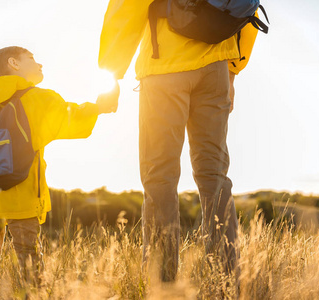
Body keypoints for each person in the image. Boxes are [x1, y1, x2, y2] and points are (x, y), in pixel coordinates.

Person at [98, 1, 260, 282]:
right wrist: (233, 68)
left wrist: (111, 74)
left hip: (164, 68)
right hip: (215, 68)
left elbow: (126, 9)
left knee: (159, 176)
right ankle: (225, 278)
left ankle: (162, 283)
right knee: (215, 176)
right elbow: (247, 7)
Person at [0, 46, 118, 290]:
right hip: (20, 189)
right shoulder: (37, 97)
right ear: (14, 63)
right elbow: (71, 118)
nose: (40, 64)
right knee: (27, 249)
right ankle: (34, 295)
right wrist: (99, 107)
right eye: (32, 59)